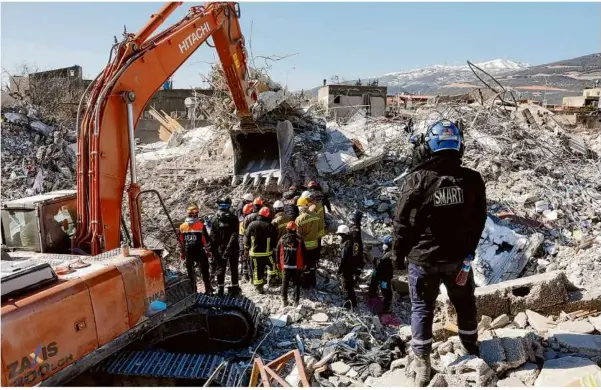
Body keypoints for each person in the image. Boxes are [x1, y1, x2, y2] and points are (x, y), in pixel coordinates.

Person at [393, 119, 487, 386]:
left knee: (422, 308)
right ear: (459, 146)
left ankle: (423, 365)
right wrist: (470, 249)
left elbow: (401, 223)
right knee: (465, 303)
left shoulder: (417, 180)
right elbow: (480, 218)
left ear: (429, 146)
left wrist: (397, 257)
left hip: (423, 261)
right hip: (458, 260)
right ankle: (471, 348)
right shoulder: (472, 179)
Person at [179, 203, 213, 294]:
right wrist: (208, 252)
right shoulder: (201, 225)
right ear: (196, 214)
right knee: (205, 270)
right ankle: (208, 289)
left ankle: (193, 290)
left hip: (188, 251)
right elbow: (205, 240)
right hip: (199, 251)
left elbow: (181, 241)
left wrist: (182, 253)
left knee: (191, 272)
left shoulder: (182, 226)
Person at [210, 197, 240, 296]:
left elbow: (213, 236)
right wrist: (228, 248)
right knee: (234, 268)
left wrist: (213, 251)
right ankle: (235, 288)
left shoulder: (215, 219)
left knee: (221, 268)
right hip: (233, 247)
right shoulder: (234, 218)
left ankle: (220, 290)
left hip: (220, 248)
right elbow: (235, 234)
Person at [244, 206, 278, 293]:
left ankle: (259, 287)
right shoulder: (269, 226)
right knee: (272, 265)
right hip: (267, 253)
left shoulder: (252, 224)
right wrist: (273, 248)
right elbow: (274, 239)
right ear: (267, 215)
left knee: (256, 270)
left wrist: (246, 248)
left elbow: (246, 237)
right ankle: (271, 281)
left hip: (254, 254)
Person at [276, 221, 306, 306]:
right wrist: (305, 263)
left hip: (285, 265)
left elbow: (278, 251)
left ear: (287, 229)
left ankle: (284, 300)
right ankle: (296, 301)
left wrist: (277, 262)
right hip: (296, 266)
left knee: (284, 282)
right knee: (296, 283)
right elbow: (304, 252)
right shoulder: (299, 239)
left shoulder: (282, 239)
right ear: (295, 229)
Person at [295, 197, 320, 288]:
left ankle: (306, 285)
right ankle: (313, 283)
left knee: (306, 267)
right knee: (313, 265)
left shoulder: (299, 219)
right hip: (315, 245)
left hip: (305, 246)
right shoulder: (315, 215)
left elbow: (298, 235)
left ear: (301, 207)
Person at [368, 235, 394, 313]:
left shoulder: (390, 255)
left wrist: (375, 261)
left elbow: (384, 265)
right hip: (381, 273)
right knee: (374, 277)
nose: (383, 245)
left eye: (384, 243)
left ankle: (386, 307)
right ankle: (372, 293)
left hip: (385, 277)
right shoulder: (387, 252)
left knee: (385, 290)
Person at [336, 224, 357, 309]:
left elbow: (343, 259)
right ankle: (354, 302)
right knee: (350, 286)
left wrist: (339, 270)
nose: (338, 236)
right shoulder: (351, 240)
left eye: (339, 235)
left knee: (345, 287)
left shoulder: (346, 246)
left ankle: (347, 304)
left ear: (343, 235)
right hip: (352, 267)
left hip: (346, 269)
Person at [239, 203, 254, 282]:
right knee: (248, 259)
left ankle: (244, 275)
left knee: (244, 259)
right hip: (247, 242)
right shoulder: (249, 221)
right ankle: (248, 276)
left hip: (242, 242)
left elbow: (241, 235)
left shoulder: (241, 220)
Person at [349, 211, 365, 277]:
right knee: (357, 258)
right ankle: (356, 271)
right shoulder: (356, 228)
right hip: (356, 246)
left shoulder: (355, 226)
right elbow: (355, 241)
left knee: (357, 257)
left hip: (357, 245)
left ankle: (356, 270)